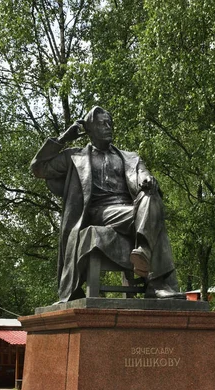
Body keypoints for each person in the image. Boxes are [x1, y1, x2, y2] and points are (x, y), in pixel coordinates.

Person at [31, 106, 185, 301]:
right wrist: (62, 139)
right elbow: (39, 168)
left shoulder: (130, 157)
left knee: (152, 197)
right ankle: (155, 283)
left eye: (110, 123)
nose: (109, 127)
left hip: (131, 209)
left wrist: (148, 181)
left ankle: (143, 253)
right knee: (152, 216)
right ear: (89, 129)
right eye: (103, 123)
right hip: (99, 212)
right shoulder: (75, 157)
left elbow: (142, 175)